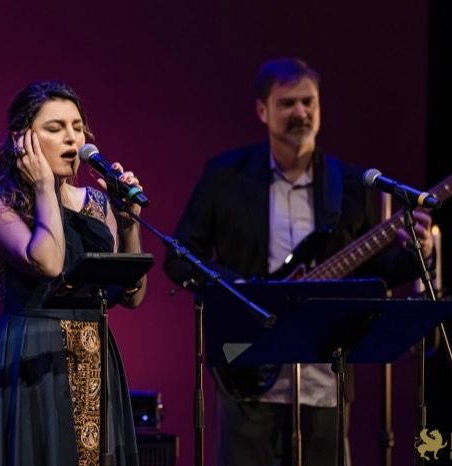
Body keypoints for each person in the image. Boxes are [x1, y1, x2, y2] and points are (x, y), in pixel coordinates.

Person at [163, 58, 434, 466]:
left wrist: (417, 255)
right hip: (247, 367)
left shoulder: (348, 184)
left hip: (324, 374)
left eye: (309, 102)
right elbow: (180, 256)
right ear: (262, 110)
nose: (301, 113)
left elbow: (371, 275)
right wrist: (241, 291)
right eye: (288, 103)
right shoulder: (226, 176)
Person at [0, 81, 147, 466]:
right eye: (55, 128)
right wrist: (44, 187)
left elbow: (133, 295)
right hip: (31, 353)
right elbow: (49, 263)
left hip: (94, 353)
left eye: (78, 127)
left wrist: (129, 226)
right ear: (22, 140)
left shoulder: (97, 202)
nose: (72, 138)